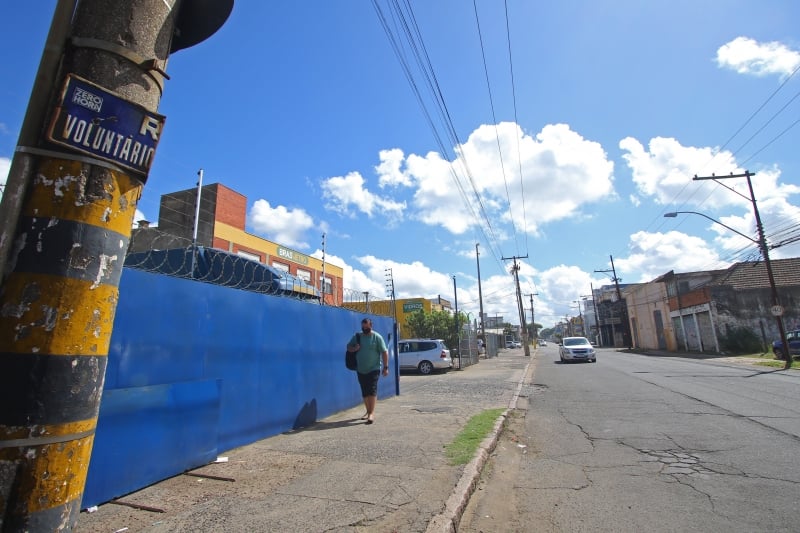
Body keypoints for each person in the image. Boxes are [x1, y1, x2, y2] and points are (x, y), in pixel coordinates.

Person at [346, 318, 389, 425]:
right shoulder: (357, 337)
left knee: (372, 389)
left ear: (371, 326)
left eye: (366, 327)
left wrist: (386, 367)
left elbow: (384, 352)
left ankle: (371, 413)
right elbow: (348, 347)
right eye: (363, 327)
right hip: (360, 368)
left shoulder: (377, 337)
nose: (364, 329)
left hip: (374, 368)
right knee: (364, 391)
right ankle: (368, 411)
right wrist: (354, 349)